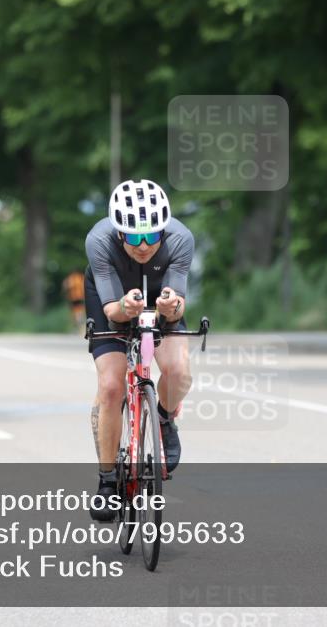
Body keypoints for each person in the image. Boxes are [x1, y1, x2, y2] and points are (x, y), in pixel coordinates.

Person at [85, 179, 194, 521]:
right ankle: (107, 481)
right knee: (111, 387)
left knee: (178, 372)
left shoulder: (180, 240)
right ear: (119, 234)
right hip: (113, 300)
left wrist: (170, 307)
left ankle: (162, 419)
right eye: (133, 237)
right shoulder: (99, 241)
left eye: (151, 236)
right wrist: (126, 308)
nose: (144, 245)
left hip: (161, 294)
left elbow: (177, 306)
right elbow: (112, 312)